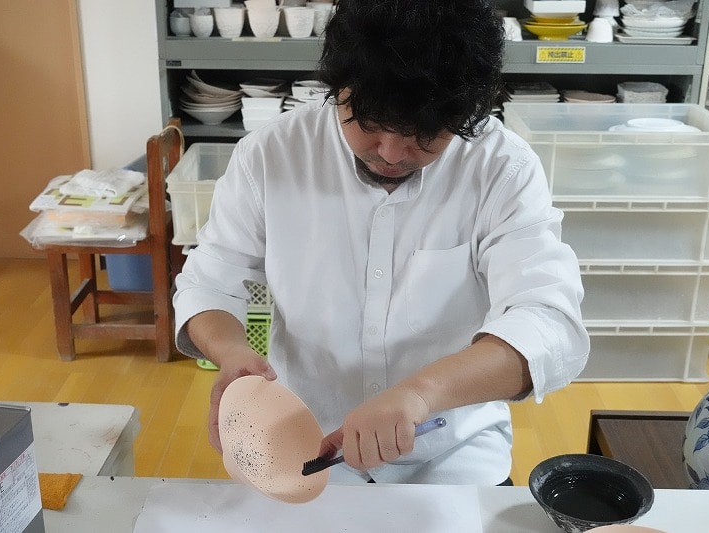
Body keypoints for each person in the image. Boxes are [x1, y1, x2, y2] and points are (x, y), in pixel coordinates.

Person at [173, 0, 589, 486]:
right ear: (338, 90)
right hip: (305, 437)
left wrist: (420, 393)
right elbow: (212, 282)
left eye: (424, 134)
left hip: (449, 446)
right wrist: (231, 352)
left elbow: (548, 321)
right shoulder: (271, 155)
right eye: (368, 123)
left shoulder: (502, 168)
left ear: (466, 113)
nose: (391, 153)